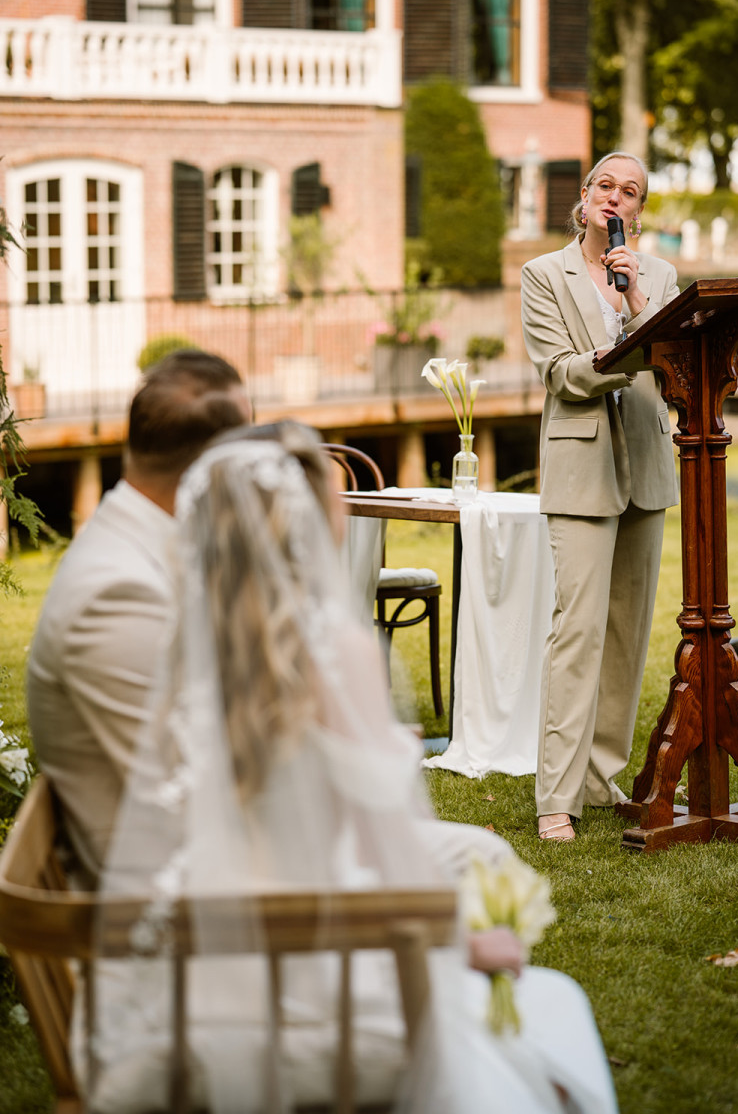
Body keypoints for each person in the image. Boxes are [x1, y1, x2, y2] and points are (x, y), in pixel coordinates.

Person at [85, 428, 619, 1114]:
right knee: (557, 1009)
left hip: (199, 983)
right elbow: (388, 862)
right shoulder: (336, 654)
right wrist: (465, 943)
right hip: (325, 994)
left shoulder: (178, 648)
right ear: (308, 523)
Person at [26, 349, 252, 885]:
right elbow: (185, 806)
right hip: (166, 910)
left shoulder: (147, 548)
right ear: (217, 470)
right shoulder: (116, 594)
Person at [521, 152, 679, 842]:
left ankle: (598, 774)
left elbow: (675, 362)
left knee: (626, 635)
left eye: (631, 192)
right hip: (581, 471)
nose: (617, 199)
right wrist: (623, 355)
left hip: (646, 463)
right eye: (606, 186)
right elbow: (559, 374)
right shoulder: (541, 276)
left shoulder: (661, 277)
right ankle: (556, 794)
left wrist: (635, 301)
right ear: (584, 200)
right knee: (577, 631)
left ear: (638, 212)